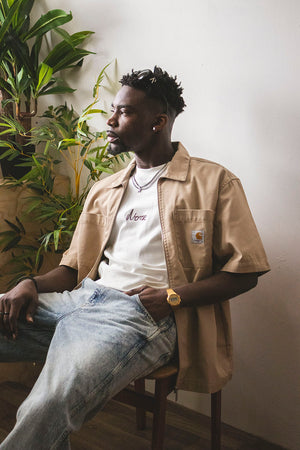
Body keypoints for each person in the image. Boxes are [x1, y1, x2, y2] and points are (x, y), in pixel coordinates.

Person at [0, 67, 270, 449]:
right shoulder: (106, 188)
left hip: (141, 315)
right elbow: (73, 268)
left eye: (124, 112)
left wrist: (172, 297)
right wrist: (30, 283)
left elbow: (247, 271)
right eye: (113, 110)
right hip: (79, 301)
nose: (110, 121)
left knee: (47, 403)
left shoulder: (214, 183)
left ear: (158, 121)